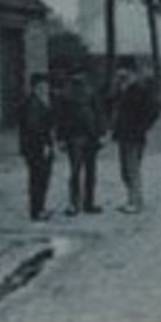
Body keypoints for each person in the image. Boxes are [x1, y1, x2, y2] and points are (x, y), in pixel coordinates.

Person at [111, 67, 161, 213]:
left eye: (125, 76)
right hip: (124, 136)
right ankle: (131, 199)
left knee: (132, 169)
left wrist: (141, 128)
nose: (122, 79)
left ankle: (136, 202)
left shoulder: (139, 91)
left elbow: (153, 112)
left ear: (133, 75)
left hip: (134, 136)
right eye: (120, 76)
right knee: (125, 170)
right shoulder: (123, 92)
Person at [54, 71, 104, 215]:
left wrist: (100, 134)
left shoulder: (90, 92)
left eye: (80, 74)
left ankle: (87, 203)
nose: (79, 77)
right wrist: (61, 138)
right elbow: (60, 118)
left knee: (89, 172)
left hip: (89, 137)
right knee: (76, 172)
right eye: (76, 74)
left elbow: (99, 113)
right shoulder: (65, 94)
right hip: (75, 137)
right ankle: (76, 204)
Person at [17, 72, 55, 221]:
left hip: (35, 147)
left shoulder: (38, 102)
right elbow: (34, 128)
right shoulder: (33, 104)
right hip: (36, 148)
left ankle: (39, 208)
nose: (45, 89)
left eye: (46, 86)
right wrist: (45, 144)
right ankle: (37, 210)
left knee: (40, 179)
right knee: (38, 179)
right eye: (42, 86)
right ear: (35, 87)